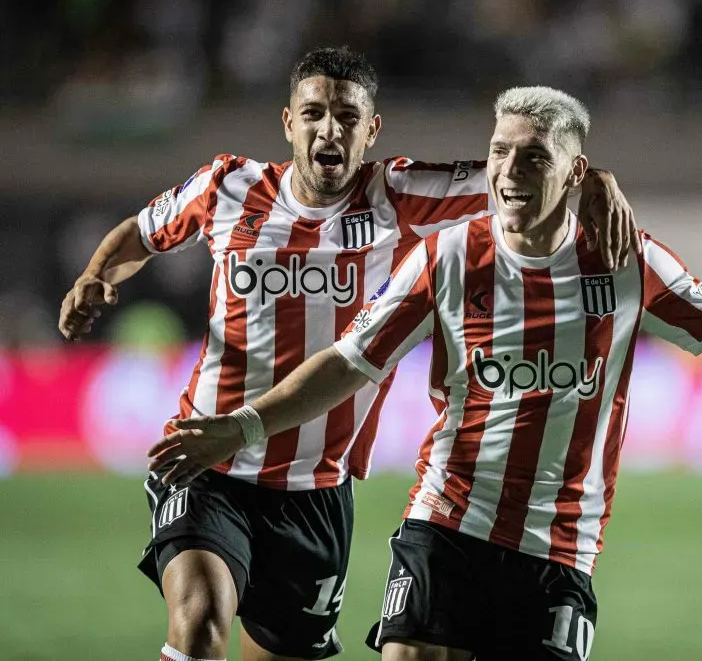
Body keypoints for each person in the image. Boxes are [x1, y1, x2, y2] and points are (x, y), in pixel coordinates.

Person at [147, 86, 702, 661]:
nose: (507, 170)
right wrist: (245, 424)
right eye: (499, 152)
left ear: (573, 173)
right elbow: (347, 362)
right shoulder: (447, 256)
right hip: (445, 526)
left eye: (532, 157)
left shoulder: (624, 263)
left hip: (559, 547)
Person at [58, 48, 639, 661]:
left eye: (346, 116)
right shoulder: (227, 187)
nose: (328, 129)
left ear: (371, 130)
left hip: (317, 489)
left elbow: (522, 176)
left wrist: (596, 178)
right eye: (313, 113)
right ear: (288, 123)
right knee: (200, 623)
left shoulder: (400, 194)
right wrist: (96, 274)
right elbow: (141, 232)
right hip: (211, 459)